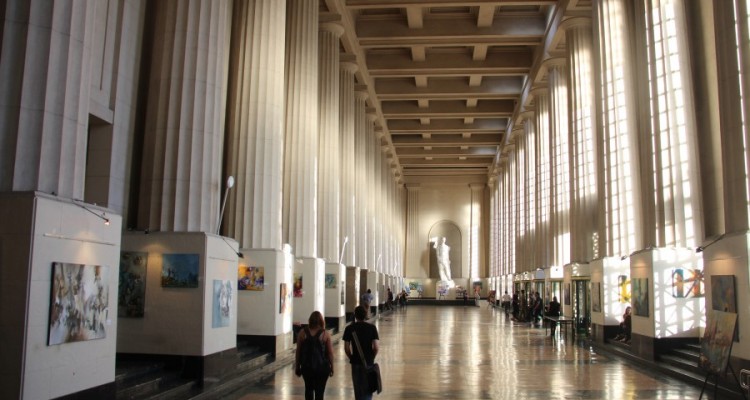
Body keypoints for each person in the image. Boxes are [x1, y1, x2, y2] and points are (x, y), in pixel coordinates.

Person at [295, 311, 334, 400]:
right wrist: (332, 367)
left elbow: (298, 351)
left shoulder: (302, 333)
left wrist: (297, 366)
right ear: (321, 321)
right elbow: (330, 353)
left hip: (307, 367)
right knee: (320, 392)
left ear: (310, 320)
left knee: (308, 389)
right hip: (322, 367)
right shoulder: (325, 334)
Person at [343, 305, 380, 400]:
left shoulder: (349, 328)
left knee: (357, 387)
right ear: (366, 315)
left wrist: (351, 358)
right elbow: (376, 347)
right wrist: (372, 357)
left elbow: (347, 348)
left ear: (355, 315)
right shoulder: (372, 328)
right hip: (368, 361)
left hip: (355, 361)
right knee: (368, 387)